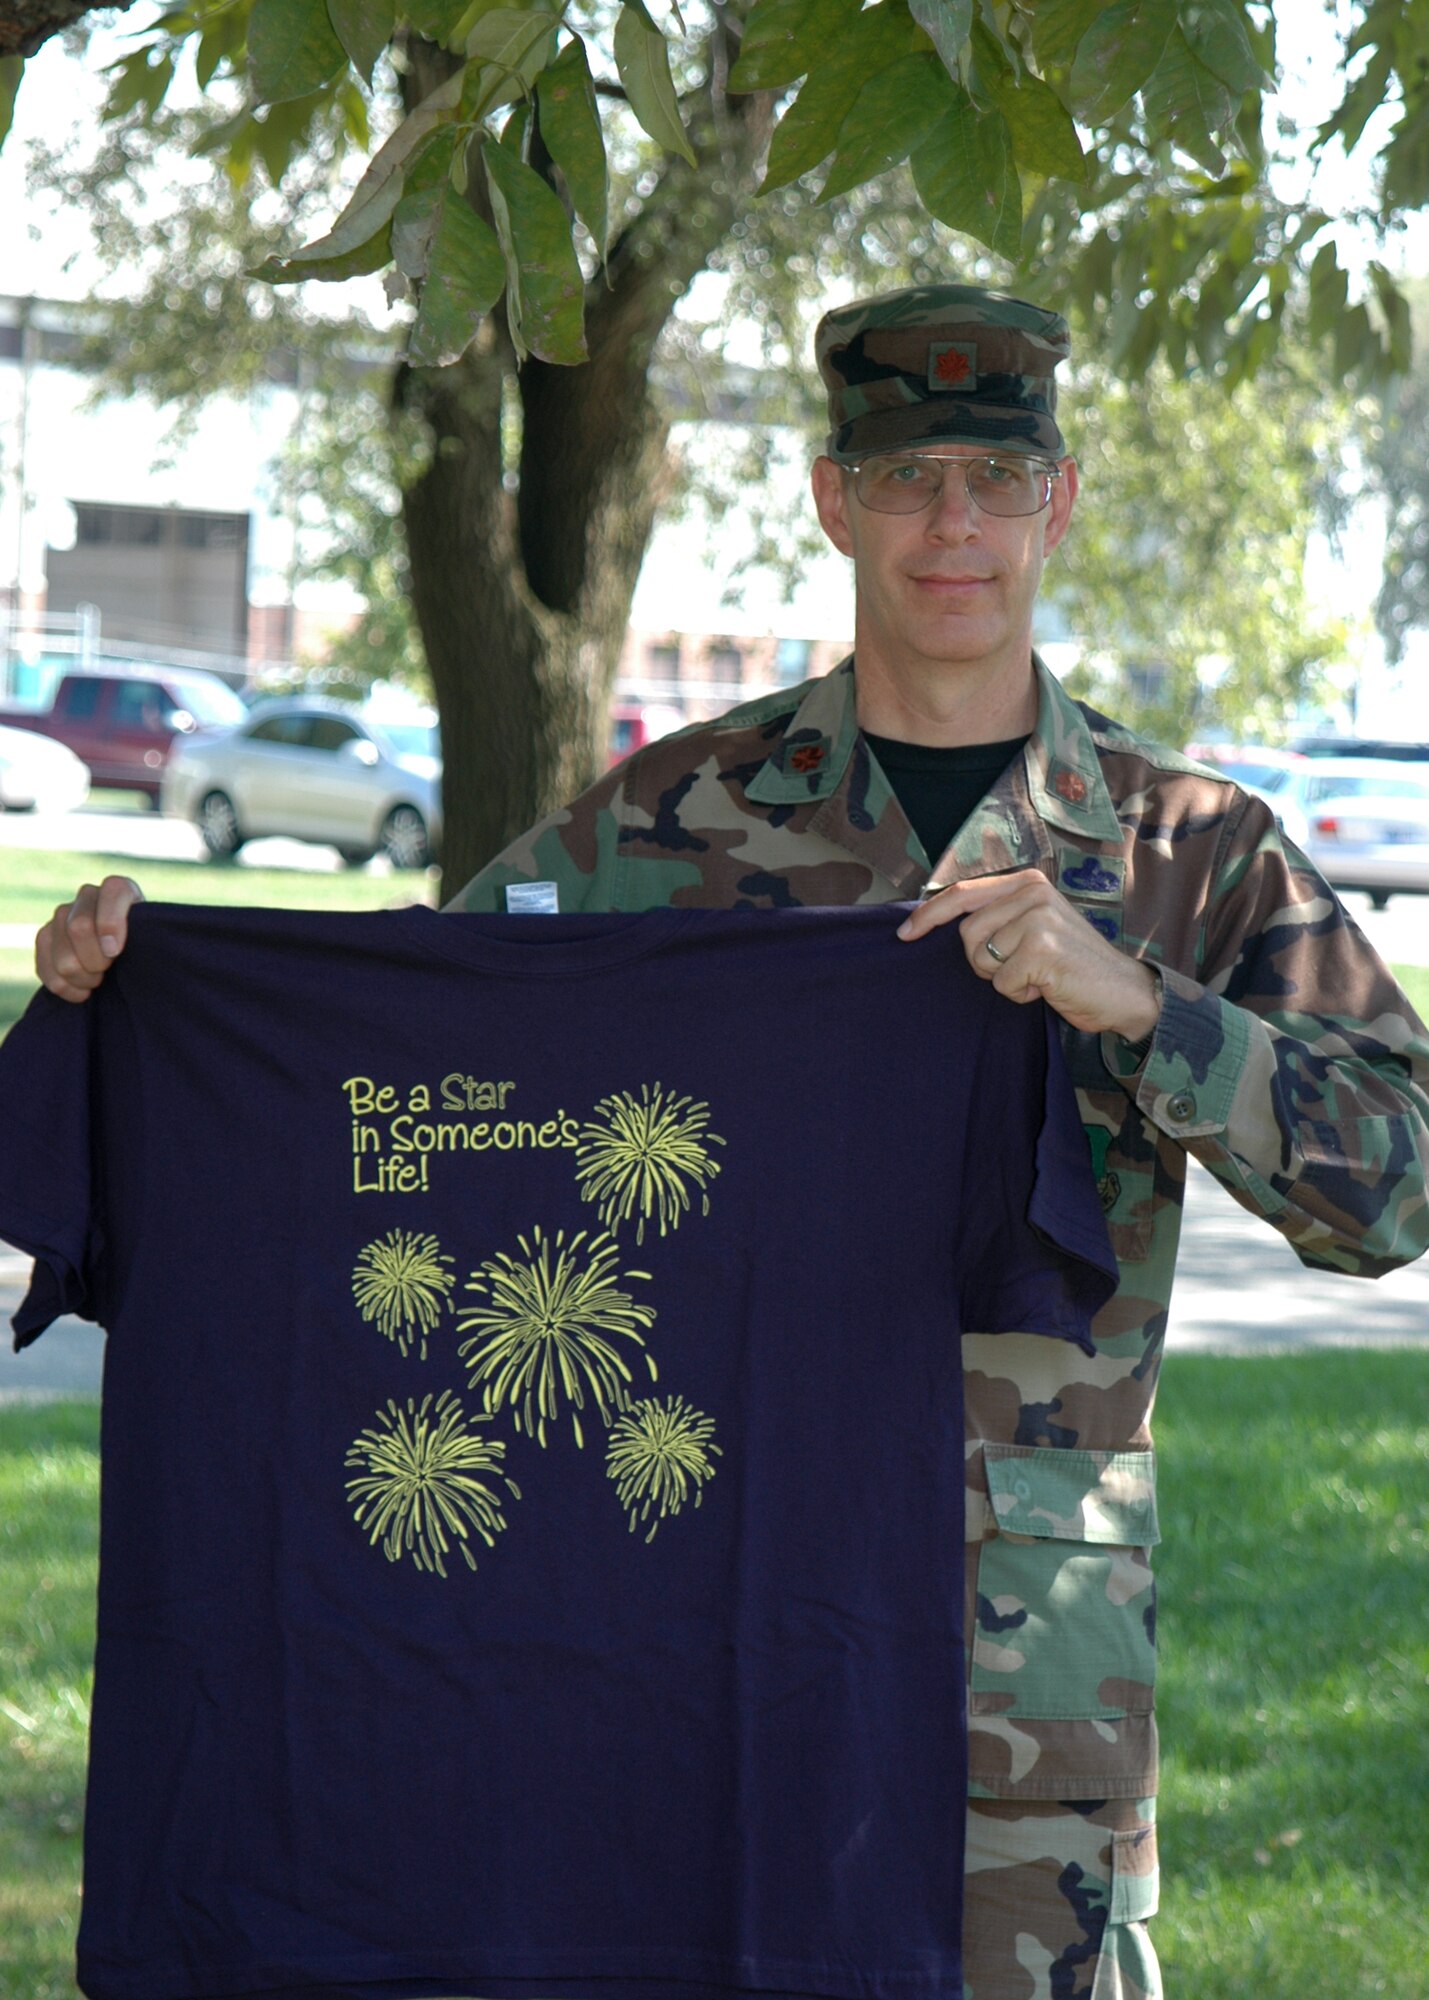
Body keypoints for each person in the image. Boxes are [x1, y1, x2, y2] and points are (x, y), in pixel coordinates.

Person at [34, 282, 1429, 2000]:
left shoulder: (1187, 855)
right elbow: (414, 1054)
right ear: (831, 498)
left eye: (995, 482)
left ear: (1058, 502)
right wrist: (155, 990)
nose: (951, 526)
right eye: (907, 476)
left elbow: (1394, 1190)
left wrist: (1144, 1010)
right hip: (702, 1623)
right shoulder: (665, 822)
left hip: (1013, 1659)